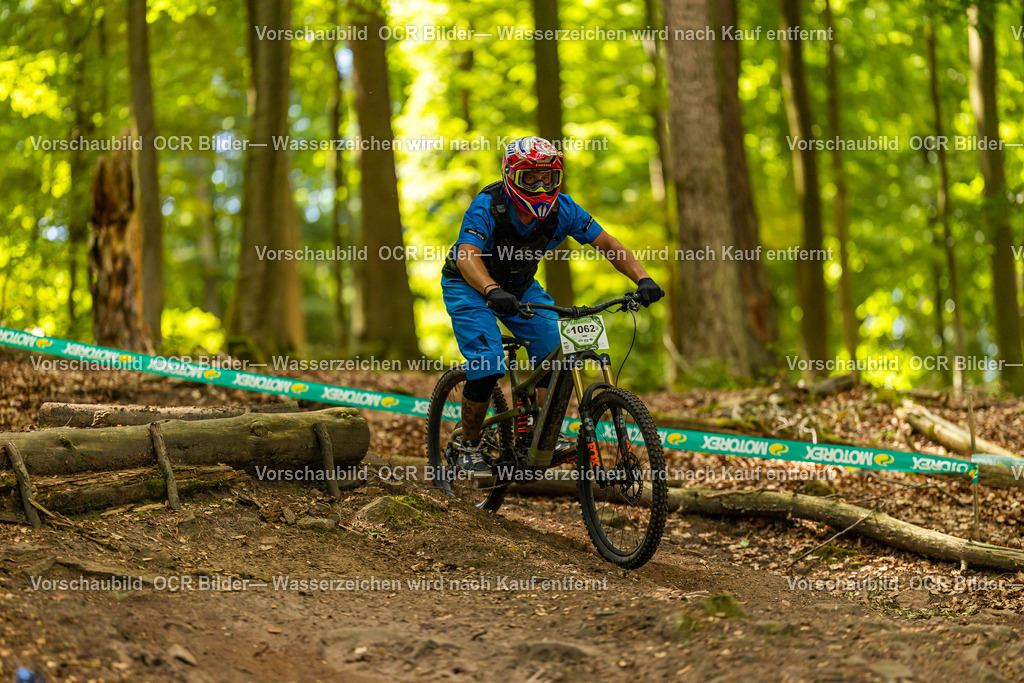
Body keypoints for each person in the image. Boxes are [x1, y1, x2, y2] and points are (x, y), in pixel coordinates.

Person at [440, 136, 664, 476]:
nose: (541, 186)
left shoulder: (564, 209)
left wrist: (643, 279)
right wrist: (490, 288)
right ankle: (467, 446)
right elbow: (466, 254)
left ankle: (542, 436)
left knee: (556, 352)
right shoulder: (488, 206)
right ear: (512, 176)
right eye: (531, 177)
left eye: (549, 177)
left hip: (521, 287)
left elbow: (607, 242)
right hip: (470, 285)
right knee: (487, 364)